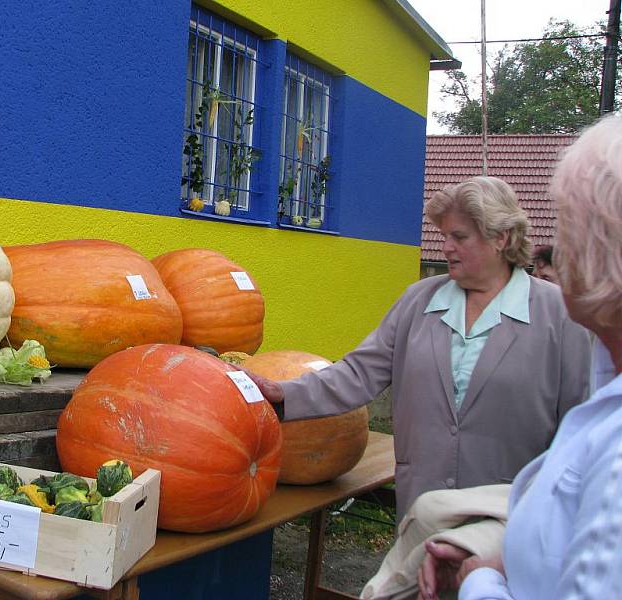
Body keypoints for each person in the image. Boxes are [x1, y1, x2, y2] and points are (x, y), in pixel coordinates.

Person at [252, 175, 591, 521]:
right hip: (422, 508)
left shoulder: (560, 315)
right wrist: (284, 395)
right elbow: (359, 373)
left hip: (511, 516)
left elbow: (580, 425)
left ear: (501, 238)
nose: (445, 247)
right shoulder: (419, 300)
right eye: (444, 235)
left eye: (458, 237)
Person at [417, 114, 622, 599]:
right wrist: (505, 558)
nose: (556, 249)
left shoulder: (558, 317)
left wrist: (482, 581)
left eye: (570, 224)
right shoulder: (419, 299)